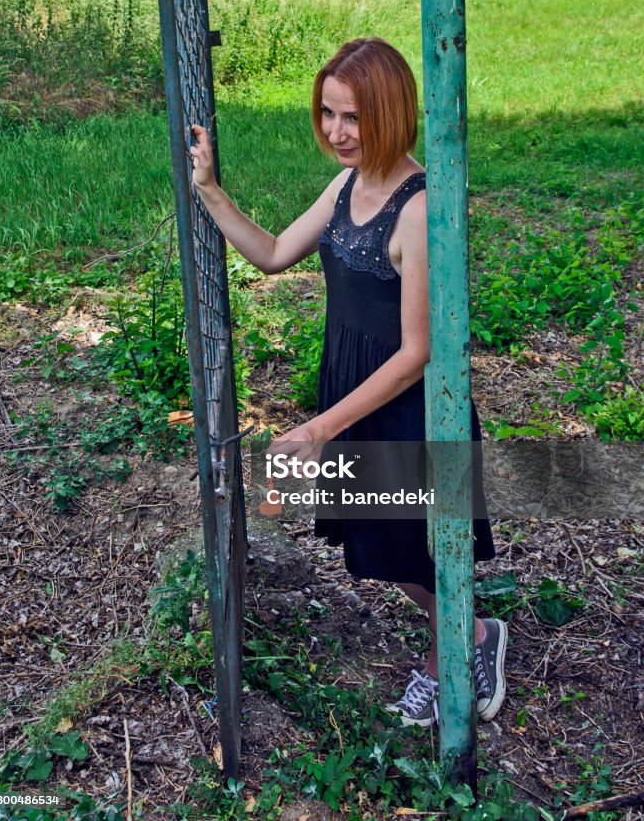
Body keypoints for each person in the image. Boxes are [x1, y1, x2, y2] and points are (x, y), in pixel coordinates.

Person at [190, 37, 507, 728]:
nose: (337, 132)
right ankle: (465, 634)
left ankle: (465, 642)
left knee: (410, 542)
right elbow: (273, 254)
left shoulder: (420, 209)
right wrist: (211, 193)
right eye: (329, 114)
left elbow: (419, 350)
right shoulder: (345, 187)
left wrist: (320, 426)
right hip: (351, 390)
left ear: (392, 113)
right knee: (375, 543)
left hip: (407, 407)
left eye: (354, 118)